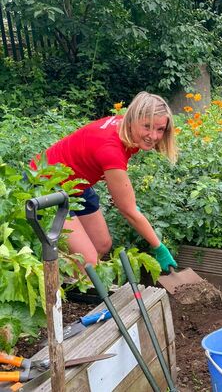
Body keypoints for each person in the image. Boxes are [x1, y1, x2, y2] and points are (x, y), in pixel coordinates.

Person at [31, 91, 179, 271]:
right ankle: (55, 285)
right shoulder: (111, 149)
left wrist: (127, 202)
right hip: (44, 183)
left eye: (160, 129)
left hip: (73, 184)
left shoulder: (123, 127)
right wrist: (159, 248)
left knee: (101, 244)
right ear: (132, 119)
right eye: (147, 126)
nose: (153, 135)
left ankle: (72, 282)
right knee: (89, 262)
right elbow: (129, 211)